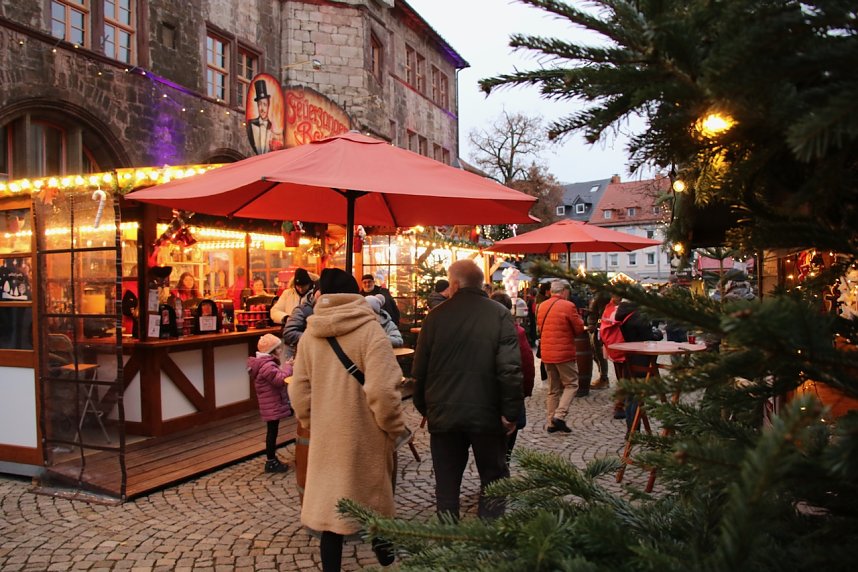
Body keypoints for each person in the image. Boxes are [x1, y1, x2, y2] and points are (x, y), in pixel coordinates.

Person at [289, 268, 406, 571]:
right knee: (375, 501)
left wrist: (315, 423)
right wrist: (391, 428)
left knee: (331, 510)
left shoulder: (310, 336)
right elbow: (384, 390)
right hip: (366, 432)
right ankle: (386, 556)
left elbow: (299, 392)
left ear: (321, 295)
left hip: (327, 434)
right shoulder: (371, 331)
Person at [412, 259, 523, 521]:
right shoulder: (499, 314)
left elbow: (420, 371)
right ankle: (490, 536)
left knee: (447, 482)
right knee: (494, 478)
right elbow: (510, 368)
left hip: (444, 413)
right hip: (488, 412)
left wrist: (425, 408)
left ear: (454, 284)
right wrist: (510, 412)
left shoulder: (435, 317)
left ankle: (448, 534)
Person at [490, 292, 535, 462]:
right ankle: (502, 470)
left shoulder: (480, 330)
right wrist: (526, 390)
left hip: (485, 394)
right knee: (507, 439)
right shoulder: (517, 331)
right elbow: (526, 364)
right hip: (509, 394)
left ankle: (490, 477)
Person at [537, 280, 585, 434]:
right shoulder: (568, 305)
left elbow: (540, 328)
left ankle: (551, 423)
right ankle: (560, 415)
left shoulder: (541, 306)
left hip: (547, 353)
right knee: (572, 384)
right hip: (563, 352)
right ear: (564, 291)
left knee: (553, 389)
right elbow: (578, 328)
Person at [247, 333, 292, 473]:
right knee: (272, 433)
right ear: (271, 351)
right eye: (278, 349)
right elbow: (280, 380)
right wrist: (289, 366)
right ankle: (271, 461)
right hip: (271, 405)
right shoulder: (267, 366)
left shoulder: (264, 364)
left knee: (272, 431)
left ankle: (271, 460)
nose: (280, 351)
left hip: (270, 403)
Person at [246, 79, 284, 155]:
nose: (262, 109)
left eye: (265, 104)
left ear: (268, 106)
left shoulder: (273, 128)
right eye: (260, 104)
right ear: (257, 105)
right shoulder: (251, 124)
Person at [587, 289, 612, 389]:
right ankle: (602, 377)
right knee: (595, 354)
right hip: (595, 328)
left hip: (598, 329)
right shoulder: (597, 295)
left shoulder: (602, 295)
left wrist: (597, 325)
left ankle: (604, 378)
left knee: (599, 354)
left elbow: (602, 315)